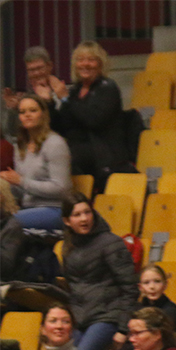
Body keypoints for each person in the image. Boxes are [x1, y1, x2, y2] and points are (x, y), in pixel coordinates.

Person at [60, 193, 138, 350]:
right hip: (79, 320)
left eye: (87, 212)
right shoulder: (68, 246)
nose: (84, 218)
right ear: (67, 221)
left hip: (107, 317)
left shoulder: (111, 243)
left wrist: (123, 330)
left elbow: (130, 287)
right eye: (77, 214)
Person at [51, 41, 133, 192]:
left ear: (100, 64)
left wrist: (65, 99)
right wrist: (48, 103)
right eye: (81, 60)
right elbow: (61, 127)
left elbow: (93, 120)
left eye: (91, 60)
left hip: (104, 155)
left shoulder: (108, 88)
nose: (85, 64)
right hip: (80, 154)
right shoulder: (75, 91)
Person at [0, 94, 71, 234]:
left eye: (33, 110)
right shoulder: (21, 146)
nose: (27, 115)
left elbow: (61, 188)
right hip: (28, 208)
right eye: (23, 112)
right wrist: (6, 185)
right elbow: (23, 190)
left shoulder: (55, 143)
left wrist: (20, 181)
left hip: (54, 209)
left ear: (43, 114)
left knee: (8, 225)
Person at [2, 46, 68, 135]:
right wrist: (13, 110)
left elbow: (66, 126)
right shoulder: (26, 98)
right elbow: (12, 132)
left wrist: (53, 101)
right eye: (31, 70)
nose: (36, 73)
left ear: (49, 66)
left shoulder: (65, 91)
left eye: (39, 68)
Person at [27, 303, 99, 350]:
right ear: (43, 329)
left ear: (72, 329)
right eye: (53, 321)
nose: (59, 326)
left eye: (65, 321)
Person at [138, 263, 176, 342]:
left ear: (165, 285)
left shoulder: (171, 312)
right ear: (140, 287)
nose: (152, 287)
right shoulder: (137, 309)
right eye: (146, 283)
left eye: (157, 281)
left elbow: (173, 342)